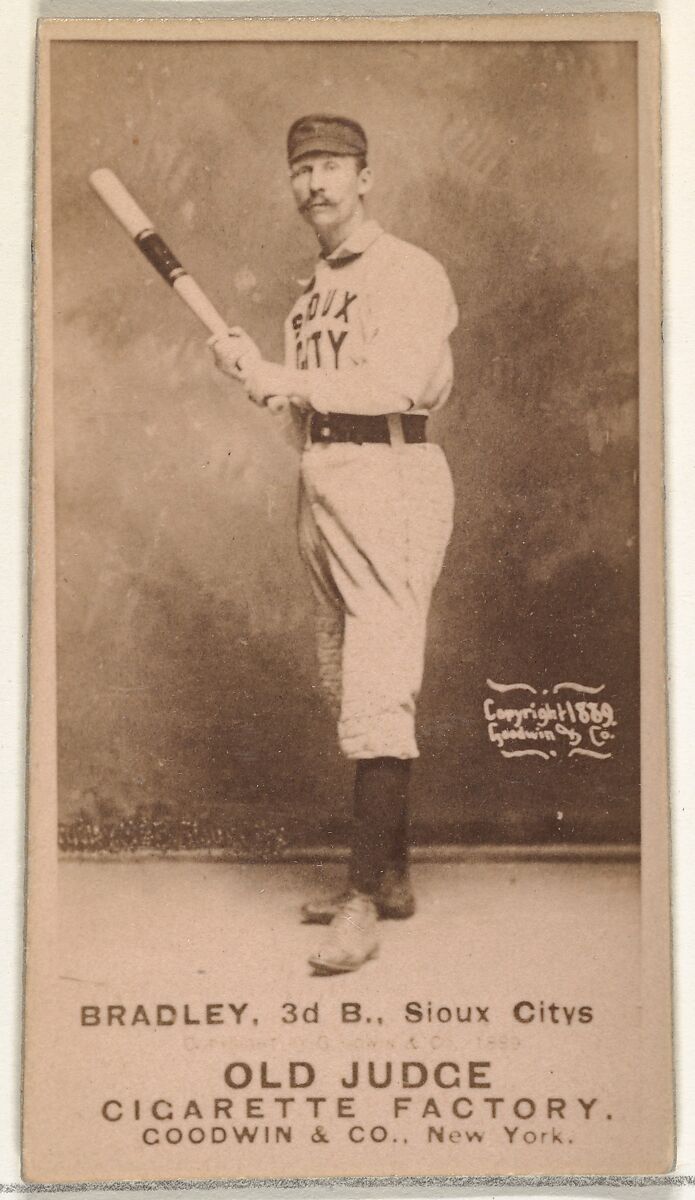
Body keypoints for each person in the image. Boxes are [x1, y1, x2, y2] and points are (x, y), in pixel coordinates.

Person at [209, 114, 458, 974]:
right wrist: (256, 376)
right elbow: (302, 414)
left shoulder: (409, 271)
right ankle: (387, 873)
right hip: (326, 482)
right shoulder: (308, 295)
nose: (313, 184)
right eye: (299, 170)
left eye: (330, 167)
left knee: (378, 682)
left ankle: (361, 906)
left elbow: (393, 383)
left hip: (391, 476)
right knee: (344, 674)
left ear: (365, 176)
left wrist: (287, 380)